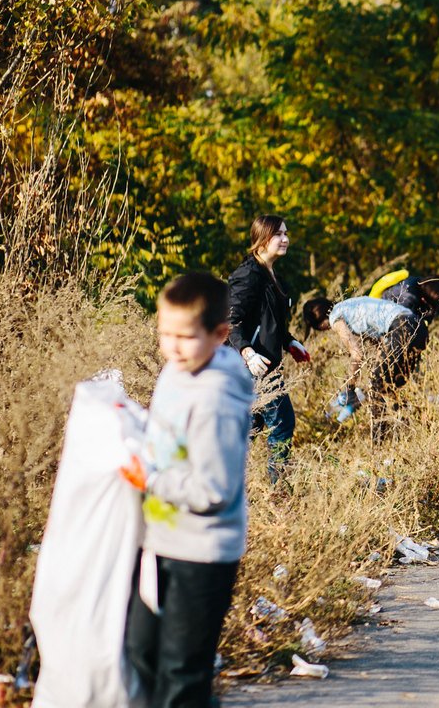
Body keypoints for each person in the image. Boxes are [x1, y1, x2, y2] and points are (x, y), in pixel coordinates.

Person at [122, 273, 254, 708]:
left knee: (183, 669)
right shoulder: (178, 368)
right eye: (164, 333)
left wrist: (149, 479)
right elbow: (169, 438)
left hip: (202, 550)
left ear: (219, 335)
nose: (172, 346)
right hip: (161, 539)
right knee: (141, 651)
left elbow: (213, 488)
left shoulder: (216, 397)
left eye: (185, 336)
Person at [227, 215, 310, 483]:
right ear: (262, 239)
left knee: (251, 428)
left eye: (286, 233)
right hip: (252, 369)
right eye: (278, 234)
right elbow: (231, 320)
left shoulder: (272, 274)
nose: (286, 239)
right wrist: (247, 352)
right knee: (283, 423)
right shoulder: (248, 274)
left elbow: (270, 321)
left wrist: (290, 341)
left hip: (266, 366)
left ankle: (232, 486)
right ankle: (280, 492)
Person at [302, 295, 429, 403]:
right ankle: (404, 424)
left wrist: (350, 387)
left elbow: (357, 354)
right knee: (395, 386)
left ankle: (381, 432)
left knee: (377, 387)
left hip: (401, 328)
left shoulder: (335, 317)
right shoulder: (349, 305)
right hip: (418, 326)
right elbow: (381, 344)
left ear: (320, 323)